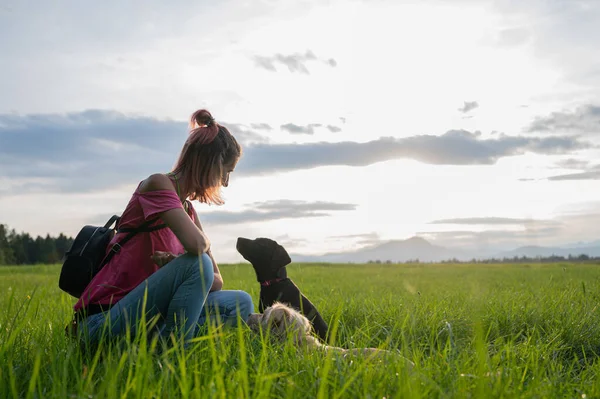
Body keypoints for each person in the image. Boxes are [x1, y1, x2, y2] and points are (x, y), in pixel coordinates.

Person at [72, 109, 254, 347]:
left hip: (142, 315)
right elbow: (198, 247)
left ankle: (152, 344)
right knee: (198, 263)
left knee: (241, 302)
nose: (226, 182)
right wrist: (182, 262)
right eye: (226, 172)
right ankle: (171, 354)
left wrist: (174, 264)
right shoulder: (157, 184)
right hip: (102, 320)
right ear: (211, 162)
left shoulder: (187, 210)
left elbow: (217, 281)